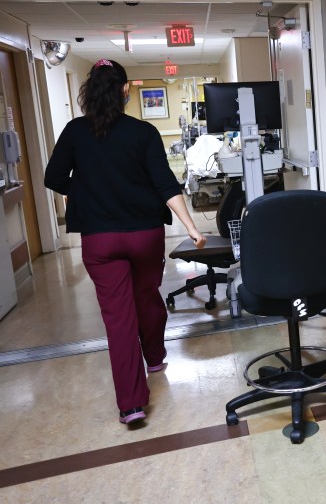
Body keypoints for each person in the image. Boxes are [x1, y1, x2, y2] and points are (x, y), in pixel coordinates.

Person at [44, 59, 207, 426]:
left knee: (119, 318)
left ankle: (132, 405)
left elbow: (52, 177)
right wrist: (192, 228)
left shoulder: (74, 132)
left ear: (88, 91)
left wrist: (83, 192)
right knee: (146, 296)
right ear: (126, 90)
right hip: (144, 235)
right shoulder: (143, 133)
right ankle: (155, 357)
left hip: (100, 241)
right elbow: (167, 185)